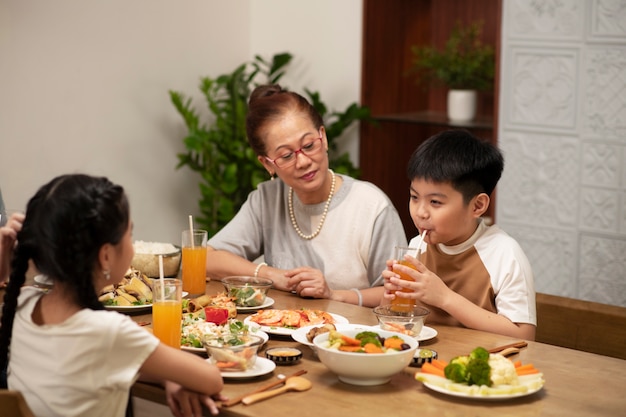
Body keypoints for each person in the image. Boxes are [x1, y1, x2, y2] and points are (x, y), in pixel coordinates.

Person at [0, 174, 226, 417]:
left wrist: (167, 374)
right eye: (130, 234)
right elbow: (212, 379)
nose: (133, 243)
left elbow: (111, 359)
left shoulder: (20, 306)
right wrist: (172, 373)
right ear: (105, 256)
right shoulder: (109, 330)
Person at [206, 84, 407, 308]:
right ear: (267, 164)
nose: (303, 162)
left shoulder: (371, 206)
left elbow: (400, 295)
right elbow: (206, 258)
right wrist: (275, 276)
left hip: (355, 337)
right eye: (286, 155)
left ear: (324, 137)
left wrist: (333, 294)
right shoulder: (267, 200)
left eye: (309, 145)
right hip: (282, 333)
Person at [381, 130, 536, 340]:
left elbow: (524, 334)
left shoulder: (504, 254)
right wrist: (390, 297)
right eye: (414, 197)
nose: (420, 212)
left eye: (435, 202)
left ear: (477, 206)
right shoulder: (418, 246)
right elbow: (400, 322)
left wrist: (444, 298)